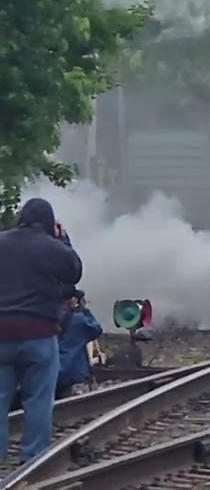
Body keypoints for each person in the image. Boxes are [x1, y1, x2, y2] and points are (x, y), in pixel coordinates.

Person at [0, 198, 84, 464]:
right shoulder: (52, 247)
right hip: (40, 333)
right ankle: (33, 459)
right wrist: (64, 240)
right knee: (38, 399)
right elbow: (74, 272)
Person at [56, 288, 102, 399]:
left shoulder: (47, 317)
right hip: (71, 372)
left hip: (48, 371)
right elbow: (96, 329)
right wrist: (84, 310)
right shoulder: (79, 320)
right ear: (74, 300)